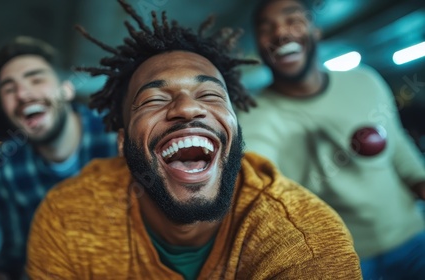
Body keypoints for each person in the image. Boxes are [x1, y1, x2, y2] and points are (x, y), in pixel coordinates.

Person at [26, 0, 361, 279]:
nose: (187, 107)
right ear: (121, 143)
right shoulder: (66, 218)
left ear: (235, 128)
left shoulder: (306, 240)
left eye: (210, 95)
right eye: (154, 99)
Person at [239, 0, 425, 278]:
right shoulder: (251, 116)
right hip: (344, 259)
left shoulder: (365, 81)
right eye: (267, 28)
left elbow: (398, 148)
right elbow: (257, 189)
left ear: (315, 31)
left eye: (292, 21)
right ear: (258, 44)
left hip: (414, 236)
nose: (280, 33)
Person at [0, 36, 117, 280]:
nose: (22, 94)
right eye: (9, 89)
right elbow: (17, 254)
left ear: (66, 90)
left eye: (36, 78)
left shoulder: (117, 134)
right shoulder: (6, 168)